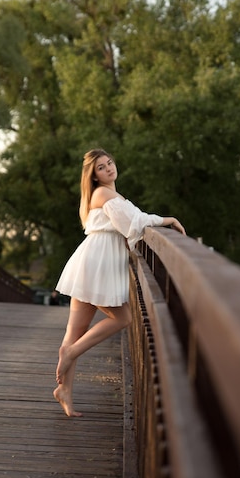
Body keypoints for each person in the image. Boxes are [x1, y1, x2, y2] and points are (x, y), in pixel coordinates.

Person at [53, 148, 186, 417]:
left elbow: (133, 219)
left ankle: (64, 390)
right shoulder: (103, 194)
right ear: (94, 176)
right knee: (122, 319)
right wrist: (167, 219)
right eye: (101, 167)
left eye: (109, 162)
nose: (109, 168)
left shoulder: (113, 195)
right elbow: (132, 224)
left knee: (75, 329)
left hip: (95, 259)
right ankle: (71, 355)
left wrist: (156, 220)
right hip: (97, 262)